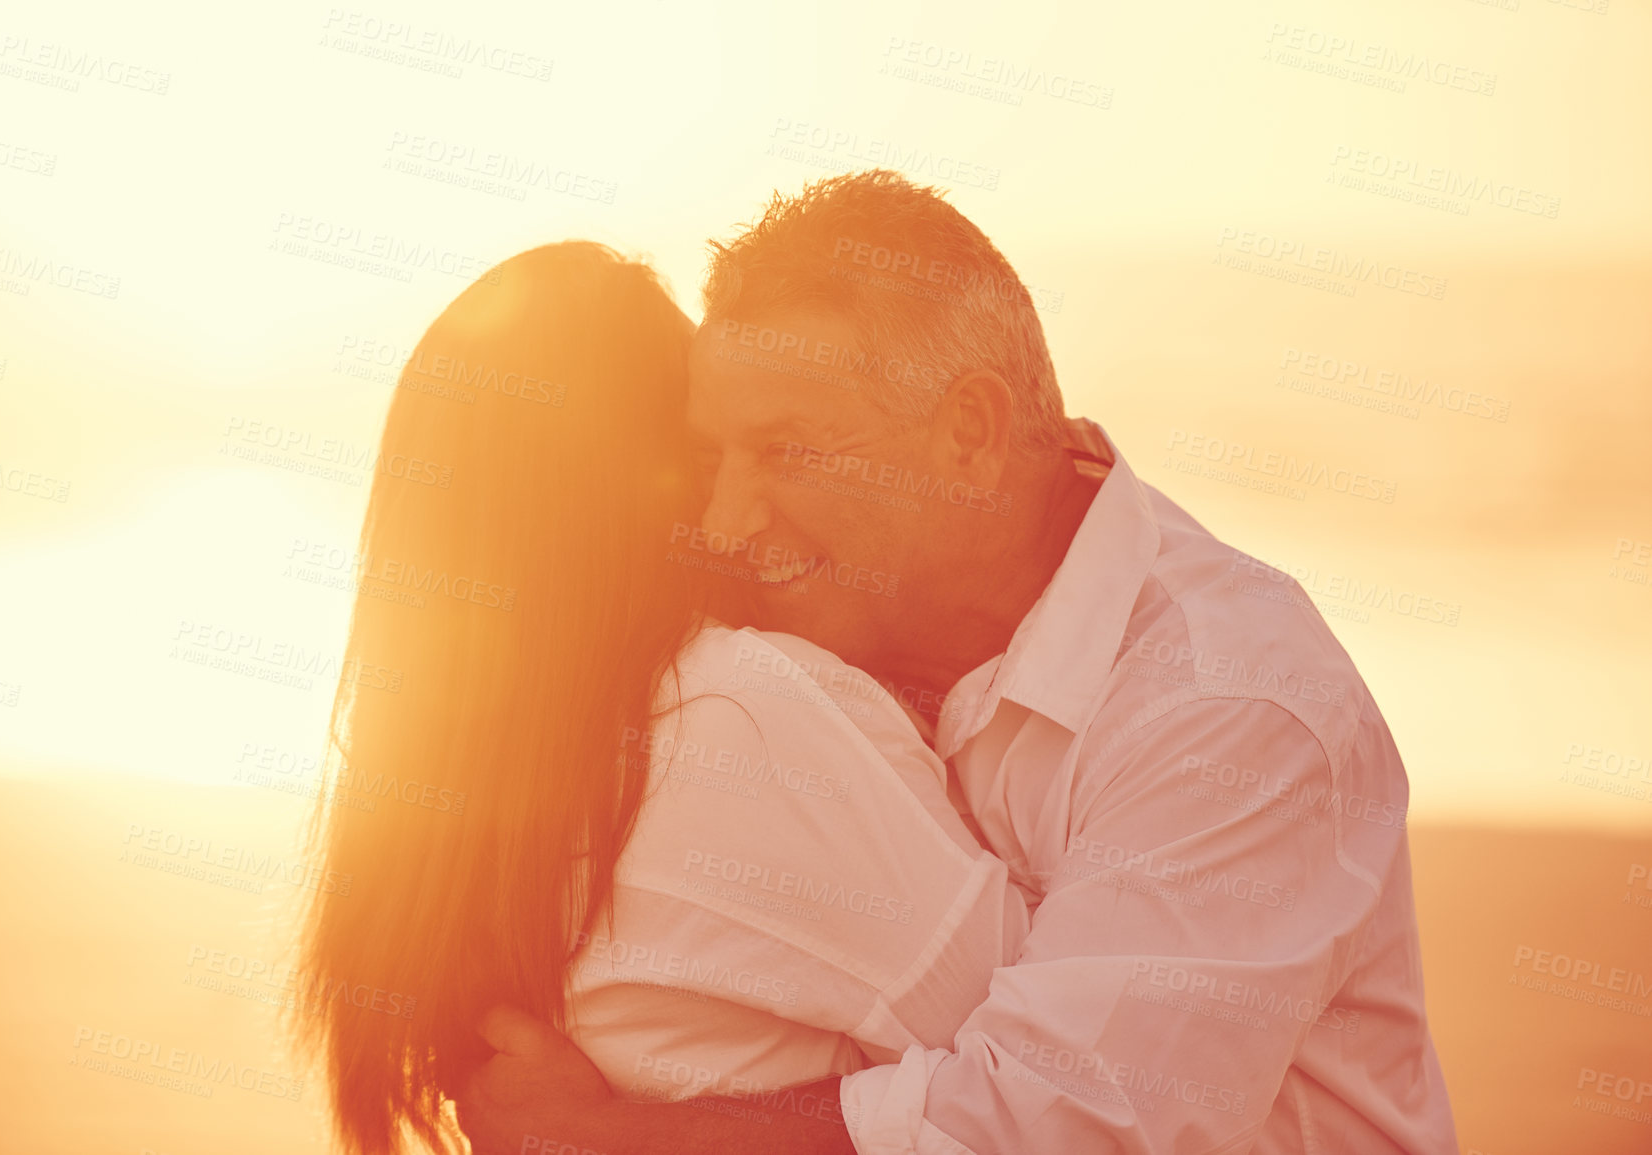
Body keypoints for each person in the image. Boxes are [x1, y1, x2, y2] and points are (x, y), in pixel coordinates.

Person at [455, 172, 1461, 1154]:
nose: (724, 522)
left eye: (789, 451)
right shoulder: (838, 643)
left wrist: (599, 1139)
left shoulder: (1233, 705)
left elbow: (1053, 1130)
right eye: (716, 458)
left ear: (969, 435)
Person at [291, 240, 1029, 1155]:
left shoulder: (483, 792)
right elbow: (1054, 1071)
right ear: (637, 472)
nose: (733, 501)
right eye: (708, 448)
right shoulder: (732, 715)